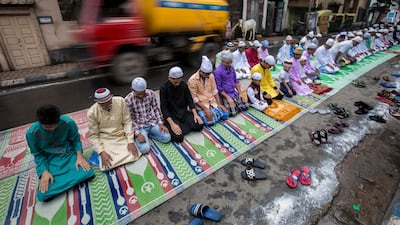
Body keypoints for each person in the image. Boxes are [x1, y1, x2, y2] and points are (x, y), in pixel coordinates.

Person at [26, 105, 95, 201]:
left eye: (54, 125)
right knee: (44, 193)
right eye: (47, 127)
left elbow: (75, 141)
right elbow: (38, 154)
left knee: (87, 173)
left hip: (68, 152)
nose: (52, 129)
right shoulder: (32, 133)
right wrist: (44, 172)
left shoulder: (68, 122)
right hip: (49, 158)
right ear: (40, 123)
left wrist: (79, 157)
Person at [87, 88, 141, 171]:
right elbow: (94, 135)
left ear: (111, 97)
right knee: (107, 166)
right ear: (97, 102)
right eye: (103, 104)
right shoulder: (92, 112)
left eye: (108, 102)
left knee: (134, 155)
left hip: (121, 135)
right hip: (106, 139)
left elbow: (127, 122)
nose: (106, 106)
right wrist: (101, 152)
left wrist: (130, 141)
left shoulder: (120, 101)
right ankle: (98, 153)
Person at [125, 77, 171, 154]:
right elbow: (130, 119)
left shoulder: (150, 93)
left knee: (167, 138)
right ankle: (143, 136)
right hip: (139, 127)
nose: (141, 96)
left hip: (151, 122)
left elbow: (156, 109)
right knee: (145, 149)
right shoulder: (128, 100)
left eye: (143, 93)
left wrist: (160, 123)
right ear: (132, 90)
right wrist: (138, 134)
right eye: (139, 94)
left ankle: (149, 135)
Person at [160, 66, 204, 143]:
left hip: (183, 113)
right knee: (178, 138)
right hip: (172, 116)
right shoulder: (164, 88)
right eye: (175, 82)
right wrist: (172, 124)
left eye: (179, 81)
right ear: (169, 78)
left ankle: (183, 127)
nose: (177, 84)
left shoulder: (183, 85)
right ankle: (172, 125)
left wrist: (195, 115)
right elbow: (164, 108)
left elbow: (189, 100)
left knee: (199, 125)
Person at [188, 56, 228, 126]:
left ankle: (213, 112)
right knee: (210, 122)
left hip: (212, 101)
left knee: (225, 115)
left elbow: (214, 91)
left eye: (209, 74)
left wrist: (219, 104)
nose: (208, 76)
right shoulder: (192, 80)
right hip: (201, 104)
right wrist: (205, 109)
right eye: (206, 74)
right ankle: (202, 113)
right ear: (201, 71)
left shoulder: (210, 76)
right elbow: (194, 98)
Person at [214, 51, 248, 116]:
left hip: (233, 92)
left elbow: (236, 81)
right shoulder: (218, 71)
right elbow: (219, 88)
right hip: (224, 94)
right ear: (222, 62)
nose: (229, 64)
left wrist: (240, 93)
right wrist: (227, 97)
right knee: (232, 113)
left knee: (245, 105)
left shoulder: (231, 68)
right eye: (227, 63)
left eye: (230, 63)